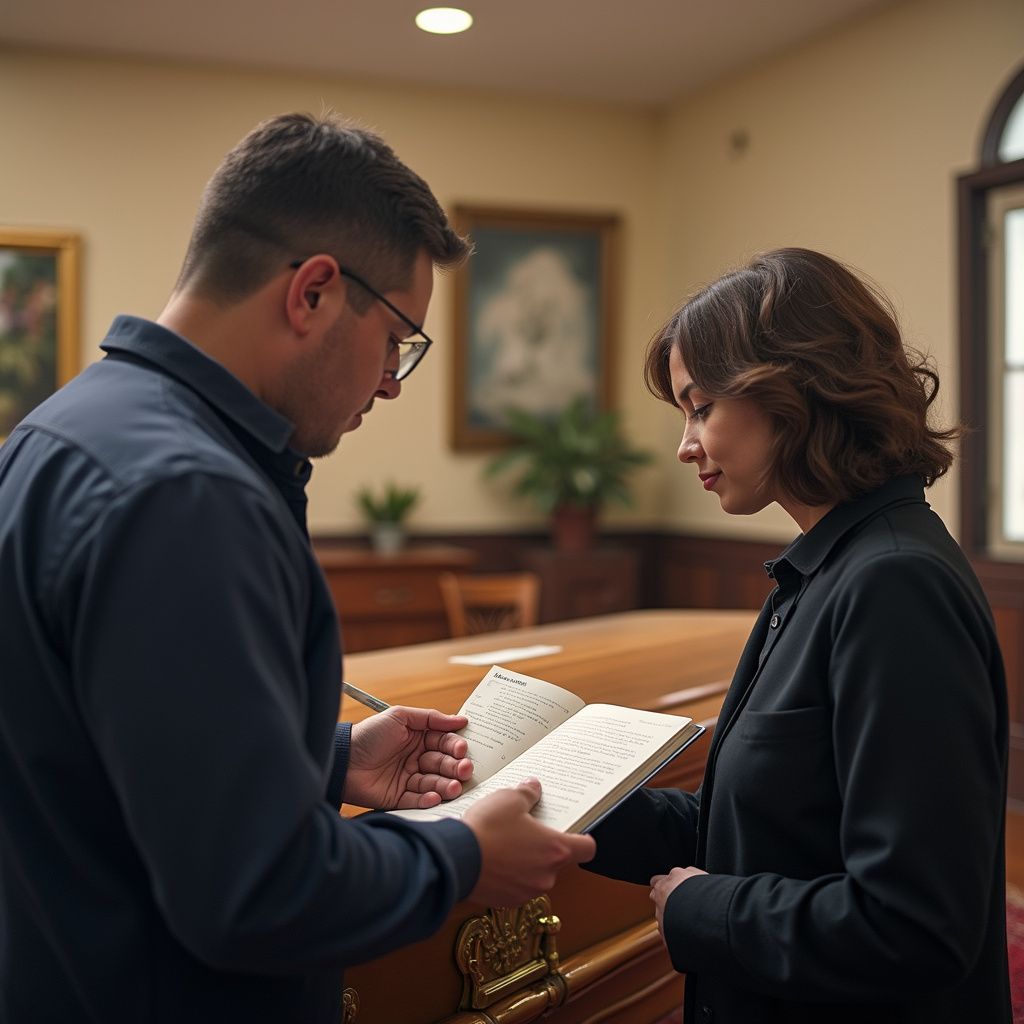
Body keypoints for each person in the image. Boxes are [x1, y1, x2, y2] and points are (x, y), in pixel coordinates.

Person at [0, 112, 594, 1023]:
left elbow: (93, 755)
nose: (391, 381)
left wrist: (329, 760)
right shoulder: (188, 494)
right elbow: (255, 895)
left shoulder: (55, 432)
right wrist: (464, 856)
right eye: (397, 338)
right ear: (313, 291)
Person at [586, 247, 1010, 1022]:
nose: (685, 445)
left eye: (700, 407)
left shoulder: (893, 584)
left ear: (791, 389)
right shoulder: (827, 567)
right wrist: (554, 796)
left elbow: (914, 925)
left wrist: (701, 911)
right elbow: (756, 829)